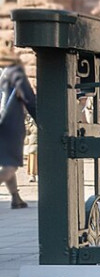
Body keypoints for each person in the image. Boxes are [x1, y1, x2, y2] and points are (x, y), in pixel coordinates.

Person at [0, 51, 36, 209]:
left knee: (7, 161)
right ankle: (16, 197)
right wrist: (41, 120)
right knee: (11, 165)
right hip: (10, 124)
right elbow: (28, 97)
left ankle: (16, 197)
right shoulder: (14, 71)